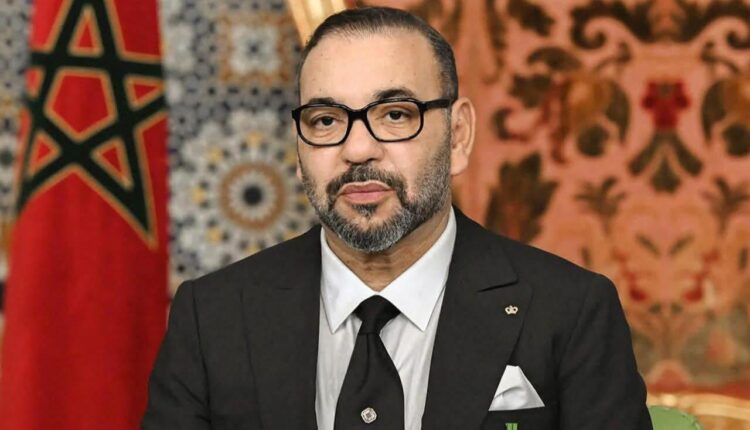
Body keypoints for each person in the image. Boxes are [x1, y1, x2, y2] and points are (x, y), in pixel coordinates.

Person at [142, 6, 652, 430]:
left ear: (458, 136)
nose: (357, 149)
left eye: (394, 115)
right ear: (299, 145)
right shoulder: (212, 317)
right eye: (326, 120)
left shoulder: (571, 311)